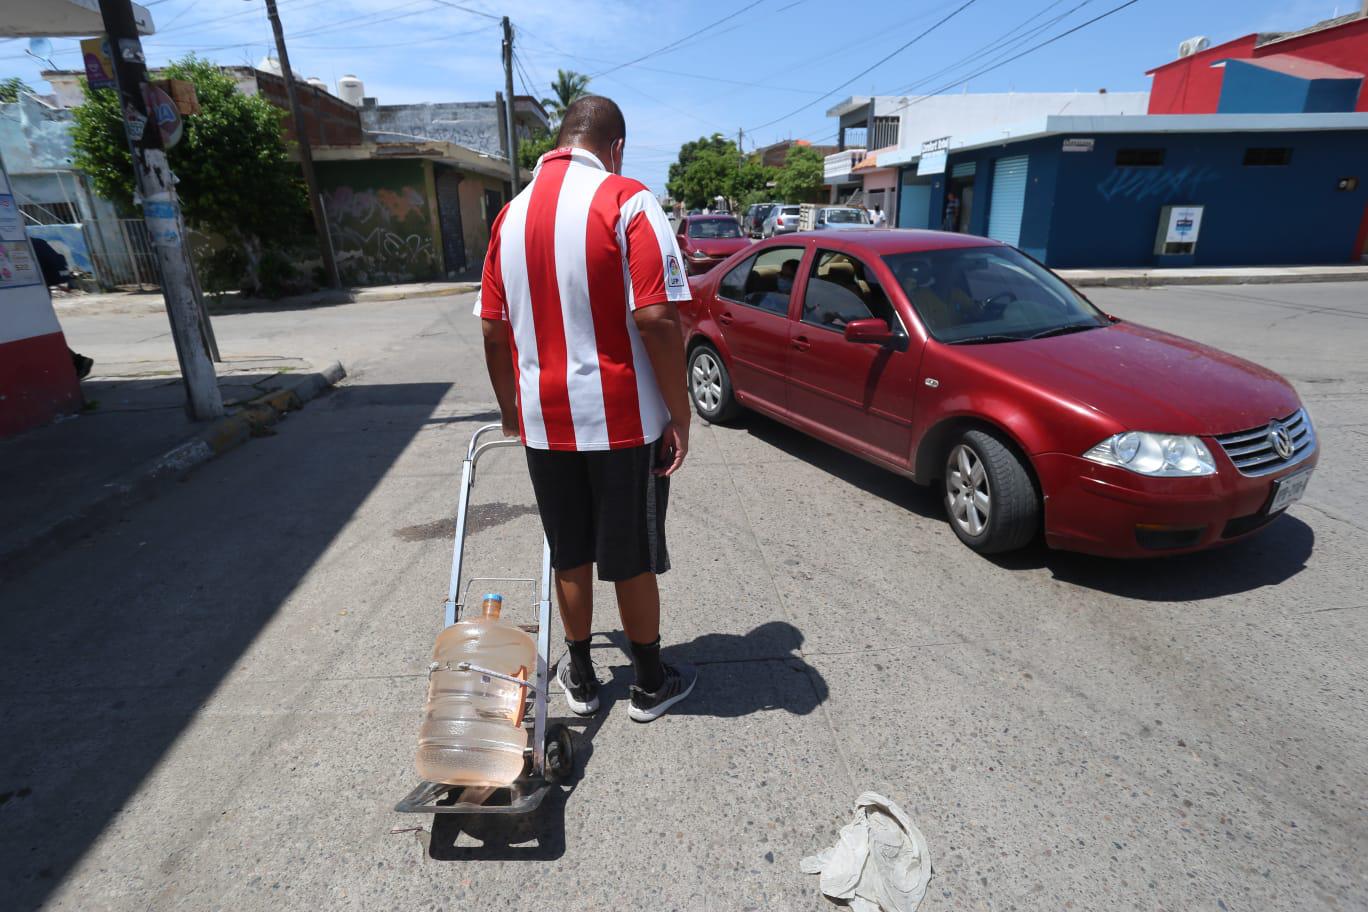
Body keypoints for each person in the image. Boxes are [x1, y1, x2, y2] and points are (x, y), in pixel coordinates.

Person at [476, 96, 697, 724]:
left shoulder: (509, 216)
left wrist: (513, 412)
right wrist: (679, 415)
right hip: (622, 420)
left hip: (545, 423)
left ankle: (579, 673)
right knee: (630, 553)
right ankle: (650, 683)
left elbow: (493, 331)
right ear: (615, 146)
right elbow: (656, 318)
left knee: (568, 548)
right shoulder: (628, 201)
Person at [31, 237, 94, 380]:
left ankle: (75, 362)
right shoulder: (32, 242)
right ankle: (75, 362)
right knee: (41, 333)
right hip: (38, 293)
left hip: (28, 297)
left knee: (40, 336)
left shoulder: (26, 243)